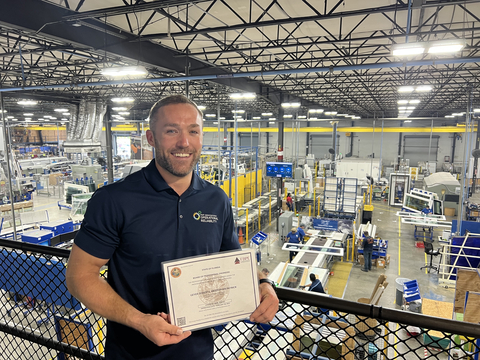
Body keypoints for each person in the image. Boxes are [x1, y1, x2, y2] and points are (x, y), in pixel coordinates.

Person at [65, 95, 278, 360]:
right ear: (151, 138)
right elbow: (79, 277)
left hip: (198, 352)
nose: (184, 142)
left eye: (193, 131)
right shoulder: (114, 200)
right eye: (171, 131)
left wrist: (263, 282)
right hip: (132, 354)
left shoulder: (217, 200)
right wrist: (140, 321)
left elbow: (233, 262)